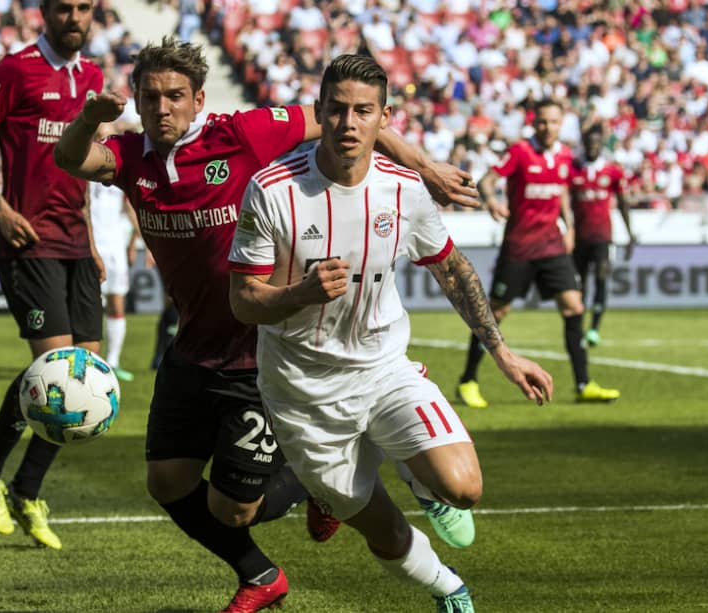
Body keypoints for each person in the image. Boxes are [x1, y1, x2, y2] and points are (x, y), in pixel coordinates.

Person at [53, 38, 479, 612]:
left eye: (175, 96)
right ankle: (260, 573)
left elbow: (349, 119)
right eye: (150, 97)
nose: (162, 107)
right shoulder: (131, 157)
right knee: (167, 482)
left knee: (236, 509)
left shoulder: (243, 133)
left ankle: (317, 483)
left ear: (198, 99)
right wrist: (89, 119)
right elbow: (71, 159)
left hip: (258, 349)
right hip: (194, 346)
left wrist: (425, 169)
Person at [227, 54, 554, 612]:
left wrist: (501, 352)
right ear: (319, 112)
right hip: (302, 392)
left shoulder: (404, 189)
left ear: (385, 118)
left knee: (464, 488)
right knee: (385, 531)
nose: (348, 124)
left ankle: (417, 474)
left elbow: (452, 269)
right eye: (336, 110)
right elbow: (242, 301)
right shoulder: (272, 189)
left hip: (383, 370)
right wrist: (299, 294)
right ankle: (448, 586)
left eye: (363, 111)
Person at [0, 0, 104, 551]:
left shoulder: (93, 78)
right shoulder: (14, 70)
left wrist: (92, 242)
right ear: (45, 12)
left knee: (87, 376)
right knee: (55, 369)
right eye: (64, 8)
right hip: (29, 240)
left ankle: (27, 490)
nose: (74, 17)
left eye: (84, 8)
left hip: (76, 242)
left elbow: (84, 169)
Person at [456, 99, 620, 407]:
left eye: (554, 122)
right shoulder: (520, 151)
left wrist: (569, 227)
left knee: (574, 306)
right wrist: (491, 201)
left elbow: (562, 192)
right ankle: (468, 380)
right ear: (535, 123)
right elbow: (487, 181)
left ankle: (583, 384)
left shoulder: (564, 155)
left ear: (561, 124)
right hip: (519, 247)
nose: (548, 127)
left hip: (552, 245)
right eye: (543, 122)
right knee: (495, 313)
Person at [570, 125, 636, 347]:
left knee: (601, 277)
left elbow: (624, 204)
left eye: (596, 144)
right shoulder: (573, 170)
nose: (592, 148)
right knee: (579, 284)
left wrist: (630, 234)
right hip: (579, 237)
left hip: (602, 236)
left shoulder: (612, 171)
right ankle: (578, 327)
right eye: (589, 144)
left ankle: (594, 328)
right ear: (584, 145)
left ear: (602, 146)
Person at [89, 176, 140, 381]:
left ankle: (113, 362)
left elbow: (131, 209)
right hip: (91, 246)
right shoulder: (84, 175)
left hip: (115, 248)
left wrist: (135, 241)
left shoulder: (118, 176)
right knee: (91, 305)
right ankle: (90, 361)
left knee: (117, 304)